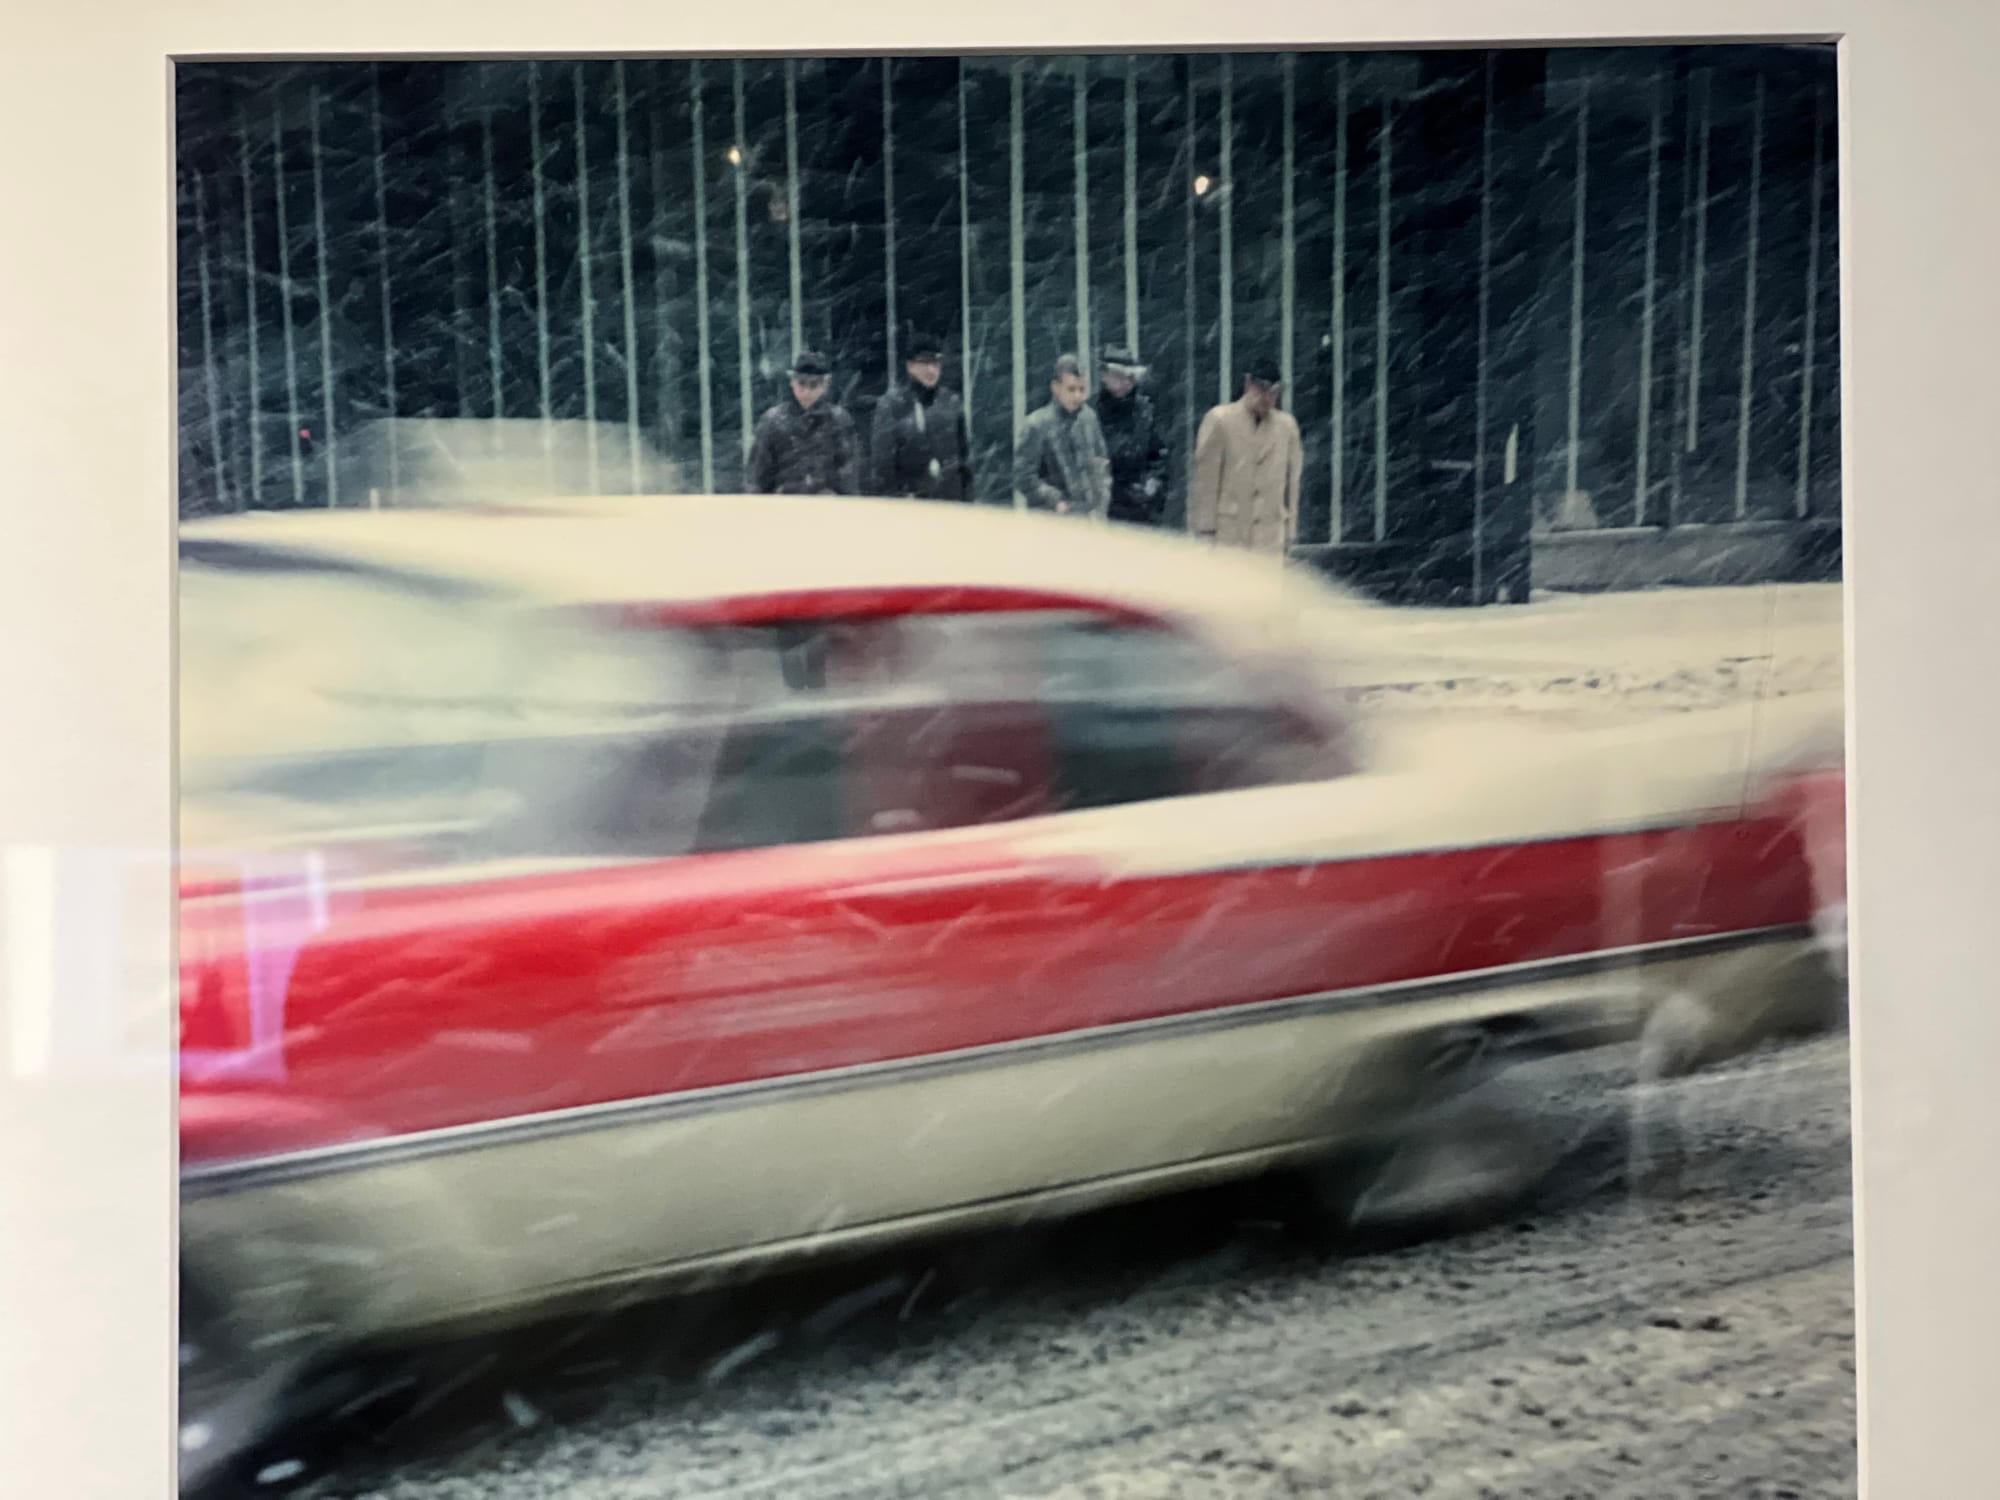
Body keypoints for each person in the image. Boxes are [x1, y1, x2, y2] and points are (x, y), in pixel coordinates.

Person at [1189, 357, 1303, 556]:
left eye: (1274, 391)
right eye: (1261, 389)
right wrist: (1206, 532)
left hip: (1270, 535)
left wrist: (1290, 530)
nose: (1267, 397)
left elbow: (1292, 483)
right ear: (1248, 384)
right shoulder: (1220, 420)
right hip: (1229, 533)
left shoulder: (1286, 426)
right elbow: (1206, 482)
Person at [869, 331, 974, 502]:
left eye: (936, 363)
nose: (931, 370)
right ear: (910, 366)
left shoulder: (951, 402)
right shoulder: (892, 405)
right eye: (924, 363)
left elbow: (963, 458)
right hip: (910, 502)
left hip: (950, 501)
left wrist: (967, 498)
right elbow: (883, 464)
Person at [745, 349, 861, 496]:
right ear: (792, 382)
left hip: (827, 506)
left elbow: (849, 477)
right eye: (802, 383)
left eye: (814, 385)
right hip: (782, 505)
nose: (806, 391)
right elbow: (756, 477)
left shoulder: (839, 421)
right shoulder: (772, 421)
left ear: (825, 386)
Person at [1012, 354, 1112, 519]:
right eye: (1071, 389)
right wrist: (1054, 500)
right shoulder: (1037, 425)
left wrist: (1101, 500)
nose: (1077, 396)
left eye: (1082, 389)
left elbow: (1101, 462)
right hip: (1051, 519)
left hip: (1089, 517)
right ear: (1056, 387)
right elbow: (1023, 475)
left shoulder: (1089, 419)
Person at [1091, 344, 1170, 527]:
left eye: (1131, 377)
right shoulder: (1089, 414)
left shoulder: (1146, 412)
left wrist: (1153, 484)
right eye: (1119, 375)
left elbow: (1160, 458)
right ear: (1104, 375)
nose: (1126, 382)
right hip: (1100, 513)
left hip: (1140, 513)